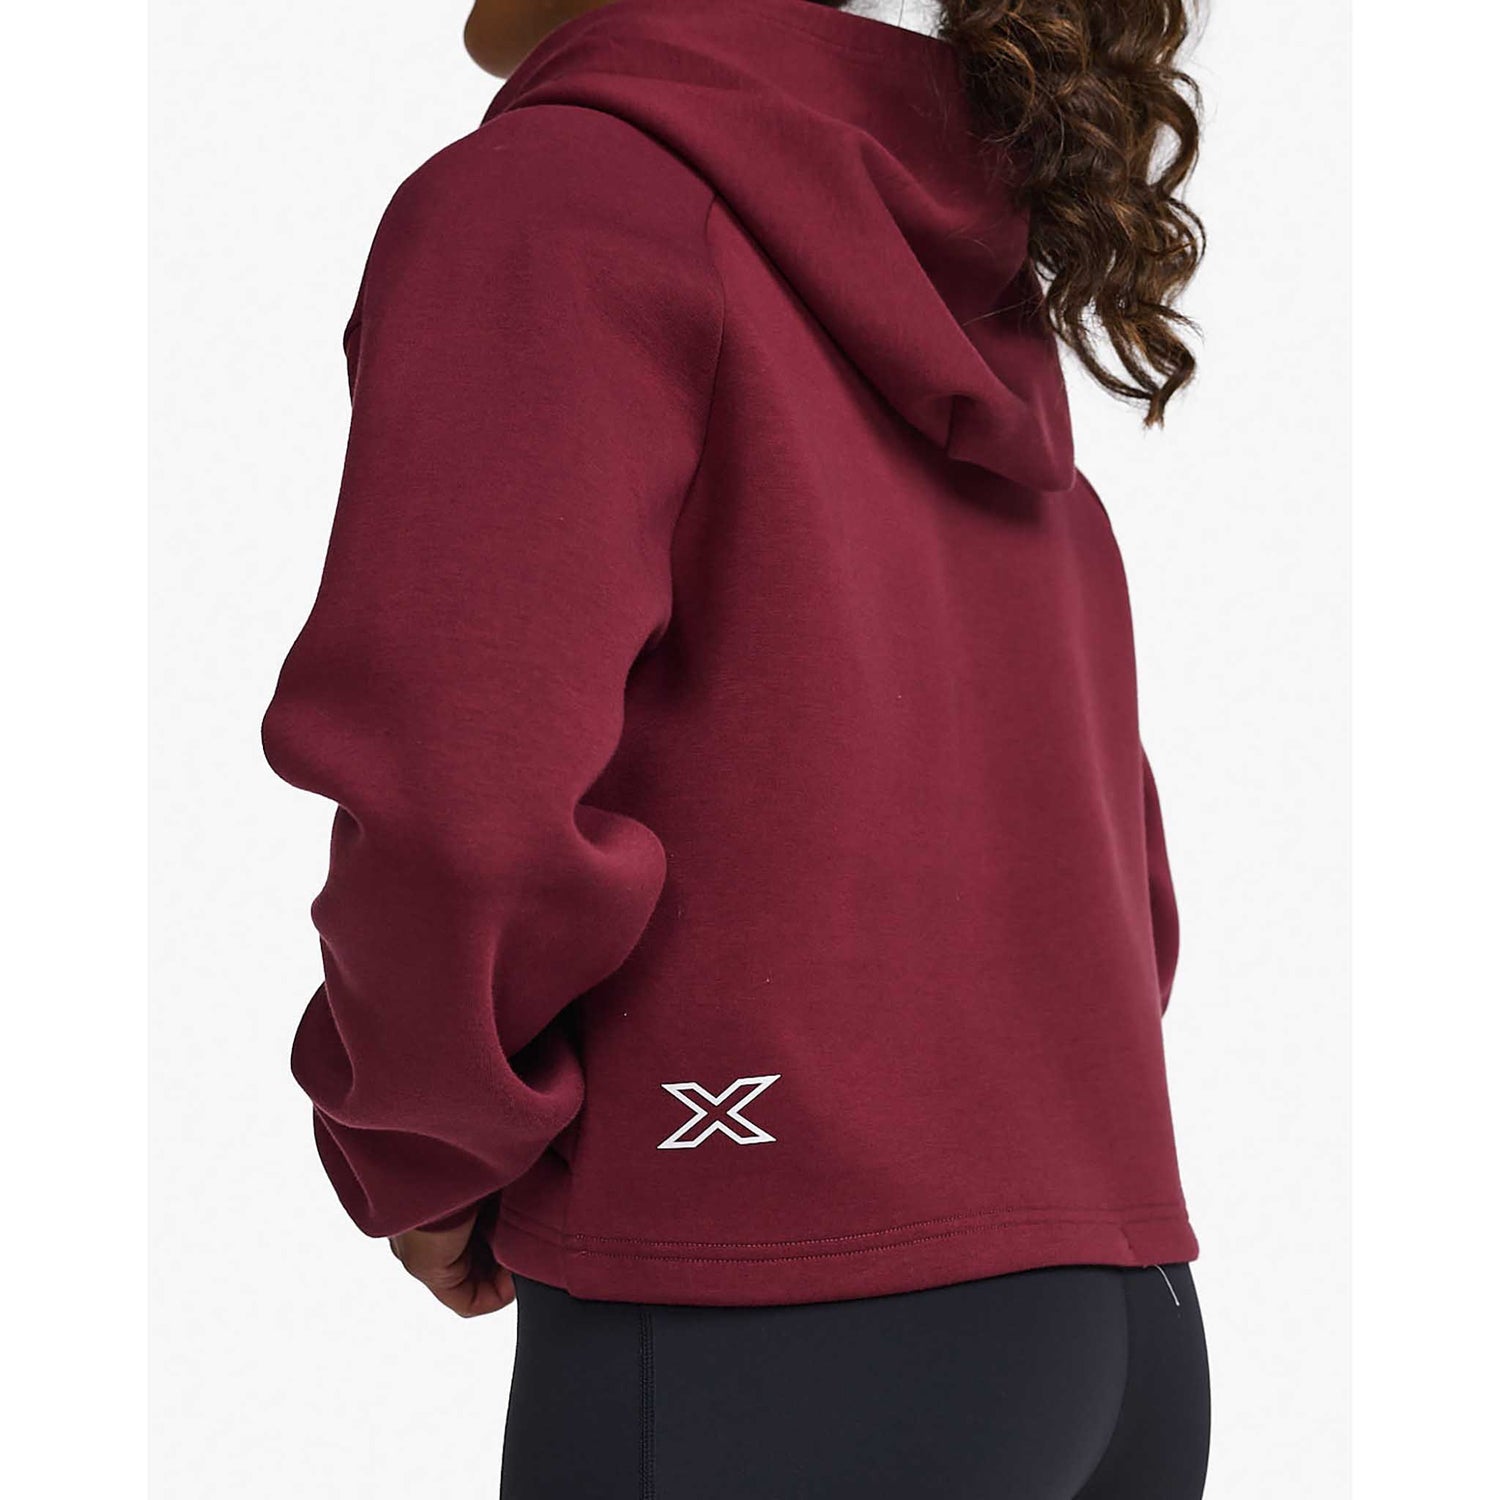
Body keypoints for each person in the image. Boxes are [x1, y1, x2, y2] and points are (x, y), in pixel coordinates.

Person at [261, 0, 1211, 1493]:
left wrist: (423, 1137)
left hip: (776, 1311)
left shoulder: (554, 202)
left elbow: (463, 789)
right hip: (1119, 1306)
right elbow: (1108, 853)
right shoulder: (958, 259)